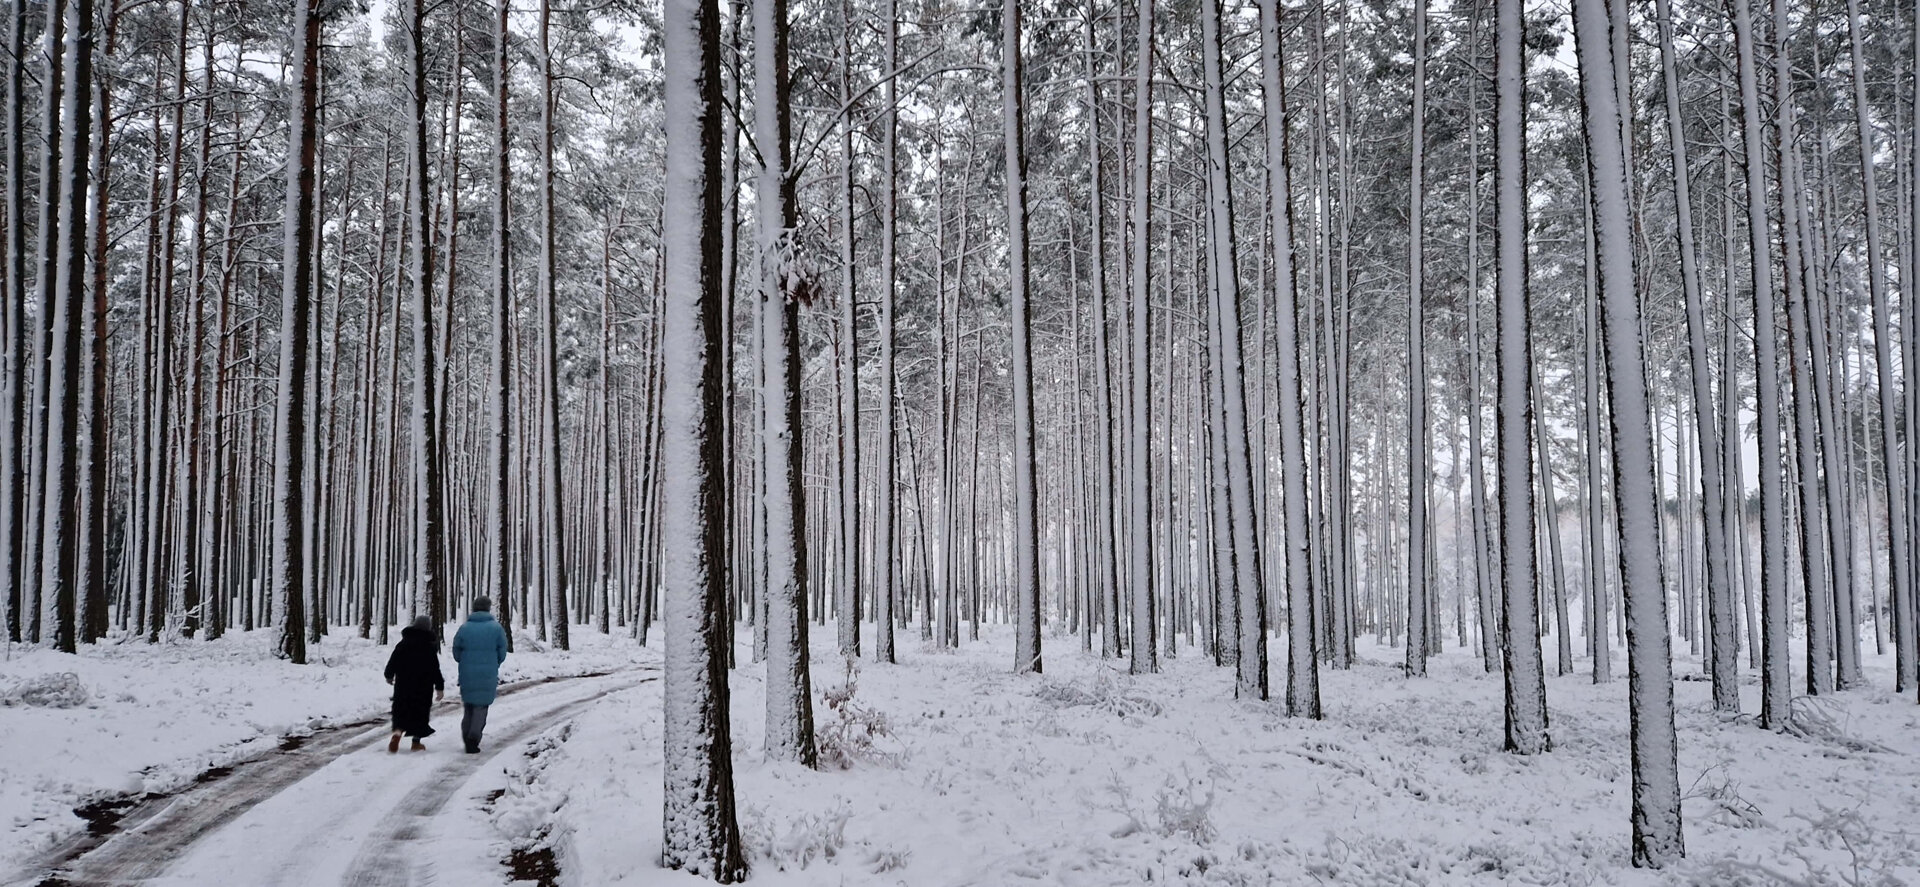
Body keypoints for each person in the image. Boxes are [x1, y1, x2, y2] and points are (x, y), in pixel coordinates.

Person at [451, 596, 509, 754]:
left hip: (467, 672)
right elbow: (502, 651)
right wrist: (494, 662)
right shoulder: (496, 628)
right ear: (488, 608)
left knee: (469, 706)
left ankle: (466, 736)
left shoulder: (464, 628)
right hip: (488, 672)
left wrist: (464, 661)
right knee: (481, 707)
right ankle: (473, 738)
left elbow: (456, 651)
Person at [384, 615, 445, 753]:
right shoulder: (429, 647)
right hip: (423, 687)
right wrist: (439, 687)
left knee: (401, 710)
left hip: (403, 685)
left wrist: (388, 675)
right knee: (420, 714)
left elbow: (393, 661)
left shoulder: (403, 643)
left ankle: (397, 733)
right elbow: (435, 669)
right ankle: (416, 743)